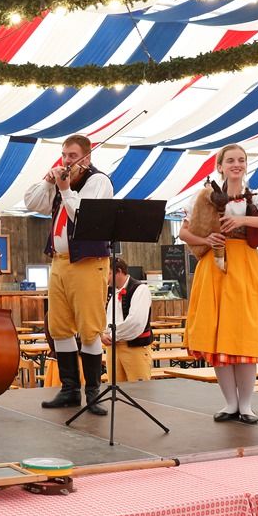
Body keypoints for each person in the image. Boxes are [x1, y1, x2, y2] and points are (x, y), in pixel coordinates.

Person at [178, 144, 258, 425]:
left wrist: (243, 219)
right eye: (230, 161)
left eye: (241, 160)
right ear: (220, 166)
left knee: (244, 334)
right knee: (219, 334)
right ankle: (230, 404)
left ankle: (247, 405)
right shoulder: (203, 197)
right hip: (214, 267)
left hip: (246, 267)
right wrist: (206, 240)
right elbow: (183, 233)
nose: (236, 164)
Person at [24, 133, 113, 416]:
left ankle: (92, 392)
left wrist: (64, 190)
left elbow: (83, 218)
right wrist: (48, 181)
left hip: (88, 262)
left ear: (86, 157)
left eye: (72, 156)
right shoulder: (63, 180)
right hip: (60, 262)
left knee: (89, 328)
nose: (66, 161)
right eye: (64, 155)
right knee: (59, 326)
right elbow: (31, 202)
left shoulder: (98, 181)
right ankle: (70, 389)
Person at [101, 258, 154, 382]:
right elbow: (103, 317)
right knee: (115, 388)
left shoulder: (140, 289)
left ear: (119, 271)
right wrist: (102, 333)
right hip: (112, 348)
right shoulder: (109, 291)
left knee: (139, 391)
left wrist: (113, 335)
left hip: (134, 348)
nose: (105, 278)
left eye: (108, 273)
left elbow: (135, 322)